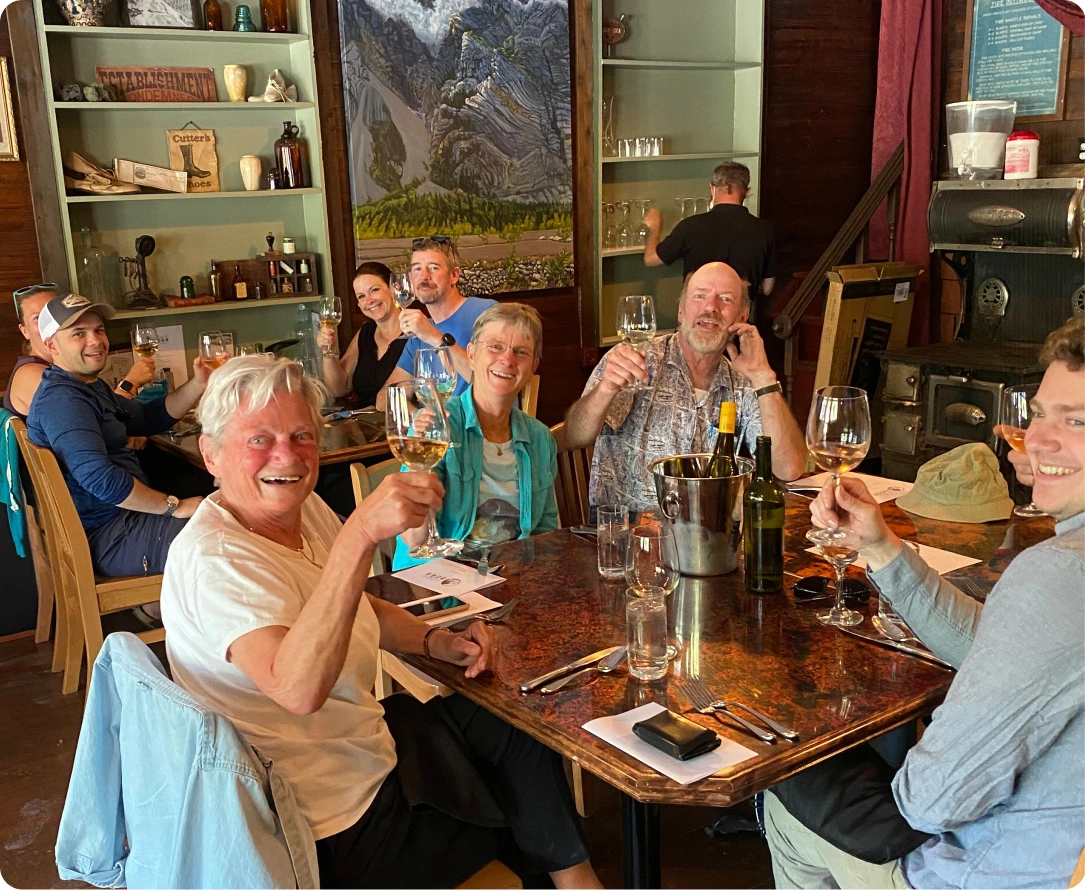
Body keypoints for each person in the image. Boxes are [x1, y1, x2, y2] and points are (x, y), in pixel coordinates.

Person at [159, 355, 604, 890]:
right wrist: (360, 534)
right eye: (259, 439)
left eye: (302, 435)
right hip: (326, 825)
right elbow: (296, 689)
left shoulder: (301, 511)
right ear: (210, 454)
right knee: (514, 804)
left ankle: (575, 880)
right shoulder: (216, 558)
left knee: (513, 725)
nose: (287, 455)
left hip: (359, 754)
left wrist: (437, 641)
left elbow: (356, 605)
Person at [766, 316, 1086, 889]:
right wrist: (881, 547)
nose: (1036, 440)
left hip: (988, 873)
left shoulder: (1059, 574)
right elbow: (992, 644)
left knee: (784, 794)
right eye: (1039, 414)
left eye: (1077, 420)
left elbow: (930, 801)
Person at [564, 262, 806, 512]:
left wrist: (764, 378)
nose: (710, 307)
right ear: (680, 311)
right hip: (626, 526)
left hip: (703, 527)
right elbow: (575, 436)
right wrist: (606, 389)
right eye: (700, 296)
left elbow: (788, 468)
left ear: (742, 318)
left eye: (725, 299)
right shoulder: (636, 359)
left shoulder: (743, 378)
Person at [26, 293, 209, 577]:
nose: (95, 341)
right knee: (228, 530)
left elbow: (147, 419)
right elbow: (99, 479)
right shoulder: (63, 400)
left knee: (231, 514)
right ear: (52, 345)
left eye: (99, 330)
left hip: (123, 523)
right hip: (108, 537)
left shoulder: (88, 386)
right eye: (79, 333)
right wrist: (173, 506)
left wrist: (198, 383)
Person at [394, 303, 556, 569]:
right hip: (440, 577)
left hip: (512, 577)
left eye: (521, 352)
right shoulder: (437, 427)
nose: (507, 360)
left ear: (533, 367)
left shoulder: (540, 438)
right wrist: (420, 467)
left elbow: (546, 533)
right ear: (471, 354)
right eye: (495, 346)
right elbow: (414, 540)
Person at [5, 283, 154, 421]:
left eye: (55, 314)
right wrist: (130, 383)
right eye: (38, 318)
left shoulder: (68, 369)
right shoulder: (34, 376)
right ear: (24, 331)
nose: (51, 323)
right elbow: (98, 418)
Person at [381, 236, 496, 406]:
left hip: (476, 422)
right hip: (434, 423)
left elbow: (489, 385)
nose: (424, 276)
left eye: (434, 268)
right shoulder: (417, 334)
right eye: (417, 269)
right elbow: (384, 398)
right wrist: (420, 416)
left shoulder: (488, 313)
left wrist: (433, 336)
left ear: (454, 275)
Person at [643, 162, 777, 304]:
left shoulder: (691, 226)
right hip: (739, 314)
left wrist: (655, 227)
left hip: (698, 313)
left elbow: (651, 259)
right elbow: (767, 288)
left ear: (712, 189)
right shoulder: (764, 230)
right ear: (747, 191)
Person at [317, 261, 408, 408]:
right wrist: (327, 351)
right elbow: (338, 389)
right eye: (361, 296)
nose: (369, 300)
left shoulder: (415, 331)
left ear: (394, 288)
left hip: (401, 419)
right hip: (363, 420)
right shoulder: (366, 333)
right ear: (359, 304)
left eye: (374, 290)